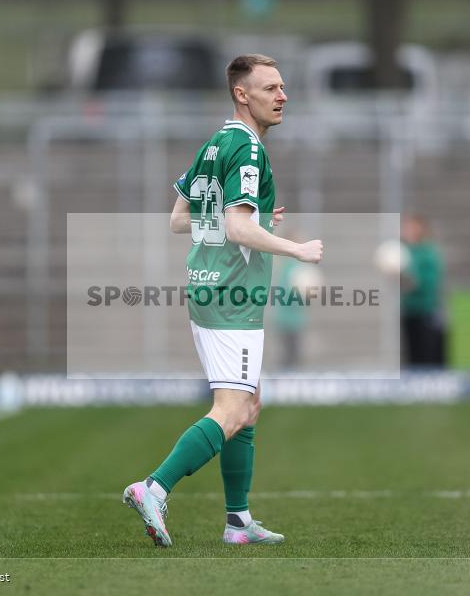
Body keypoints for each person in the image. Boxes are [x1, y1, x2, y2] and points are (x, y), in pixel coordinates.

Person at [122, 54, 323, 547]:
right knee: (232, 409)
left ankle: (238, 521)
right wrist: (295, 248)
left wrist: (255, 225)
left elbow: (178, 219)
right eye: (271, 88)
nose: (282, 95)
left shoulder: (218, 142)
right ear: (242, 94)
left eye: (283, 87)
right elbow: (235, 225)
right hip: (231, 293)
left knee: (247, 405)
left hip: (212, 285)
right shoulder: (249, 149)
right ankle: (153, 487)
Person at [400, 214, 447, 368]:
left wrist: (408, 280)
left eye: (410, 227)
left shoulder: (427, 252)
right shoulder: (403, 251)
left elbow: (427, 283)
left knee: (430, 357)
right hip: (409, 311)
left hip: (427, 312)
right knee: (413, 357)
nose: (405, 230)